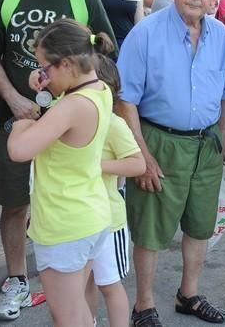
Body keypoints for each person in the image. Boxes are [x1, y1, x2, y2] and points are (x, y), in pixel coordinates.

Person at [0, 0, 117, 322]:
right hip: (16, 116)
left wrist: (79, 101)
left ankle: (74, 288)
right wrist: (13, 98)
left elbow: (104, 54)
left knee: (67, 197)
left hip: (71, 126)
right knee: (15, 202)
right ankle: (18, 281)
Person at [117, 0, 225, 326]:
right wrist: (141, 155)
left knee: (200, 226)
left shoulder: (220, 36)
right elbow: (125, 99)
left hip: (206, 146)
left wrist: (224, 136)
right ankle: (143, 305)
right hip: (159, 142)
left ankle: (189, 294)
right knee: (150, 230)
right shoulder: (145, 33)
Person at [7, 20, 118, 327]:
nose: (42, 75)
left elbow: (19, 150)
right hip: (89, 217)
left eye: (46, 67)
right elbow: (62, 101)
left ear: (67, 63)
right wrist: (46, 79)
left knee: (66, 317)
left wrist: (20, 126)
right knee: (78, 310)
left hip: (64, 224)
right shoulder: (99, 90)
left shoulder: (72, 106)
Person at [79, 55, 146, 327]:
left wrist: (96, 165)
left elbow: (137, 163)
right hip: (80, 220)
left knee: (109, 284)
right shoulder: (72, 119)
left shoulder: (113, 124)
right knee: (84, 284)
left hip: (109, 221)